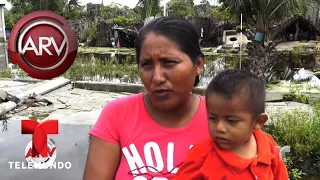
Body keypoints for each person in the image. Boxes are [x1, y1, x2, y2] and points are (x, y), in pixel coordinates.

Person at [83, 16, 209, 180]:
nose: (157, 78)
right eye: (147, 64)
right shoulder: (117, 115)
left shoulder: (223, 119)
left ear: (198, 64)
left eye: (169, 62)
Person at [173, 69, 289, 180]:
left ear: (258, 122)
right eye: (213, 118)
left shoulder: (268, 146)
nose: (219, 128)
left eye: (231, 121)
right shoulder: (201, 157)